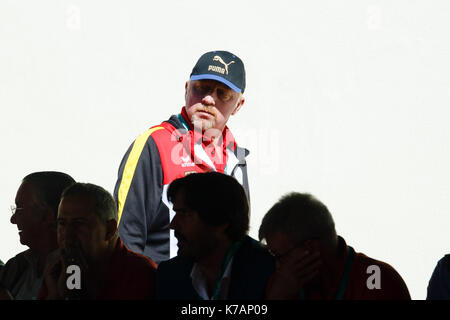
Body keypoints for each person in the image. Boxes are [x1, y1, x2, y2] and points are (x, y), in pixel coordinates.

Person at [113, 50, 249, 264]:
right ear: (187, 89)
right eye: (201, 88)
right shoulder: (154, 143)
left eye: (222, 93)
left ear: (238, 105)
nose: (208, 99)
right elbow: (125, 238)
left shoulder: (236, 158)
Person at [258, 192, 411, 300]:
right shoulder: (283, 286)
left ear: (310, 249)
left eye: (278, 256)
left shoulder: (377, 280)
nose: (278, 266)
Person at [156, 172, 275, 300]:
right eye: (176, 213)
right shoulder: (170, 275)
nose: (172, 225)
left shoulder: (269, 273)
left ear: (220, 220)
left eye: (185, 214)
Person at [39, 183, 157, 300]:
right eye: (62, 224)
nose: (68, 235)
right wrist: (56, 295)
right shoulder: (58, 272)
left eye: (79, 223)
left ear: (109, 230)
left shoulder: (141, 274)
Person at [0, 171, 75, 300]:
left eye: (19, 209)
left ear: (47, 216)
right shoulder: (17, 265)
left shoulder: (75, 271)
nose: (13, 219)